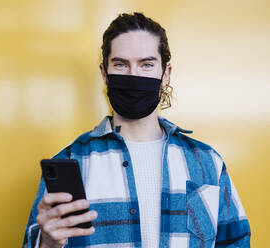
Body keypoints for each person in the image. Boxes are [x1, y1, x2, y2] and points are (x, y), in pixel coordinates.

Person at [22, 12, 251, 248]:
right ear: (104, 73)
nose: (133, 76)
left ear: (165, 75)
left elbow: (237, 242)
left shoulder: (207, 162)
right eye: (120, 64)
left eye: (147, 65)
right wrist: (47, 243)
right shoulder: (71, 162)